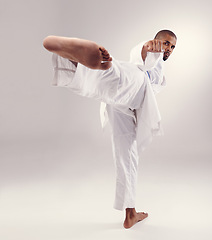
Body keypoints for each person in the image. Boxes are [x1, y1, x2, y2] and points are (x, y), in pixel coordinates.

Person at [43, 30, 177, 229]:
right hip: (134, 84)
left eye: (172, 47)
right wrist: (148, 49)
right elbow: (143, 58)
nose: (169, 49)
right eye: (166, 43)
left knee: (127, 155)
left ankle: (74, 63)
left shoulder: (160, 69)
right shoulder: (152, 52)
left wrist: (150, 54)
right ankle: (90, 64)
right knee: (119, 75)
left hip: (126, 104)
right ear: (156, 41)